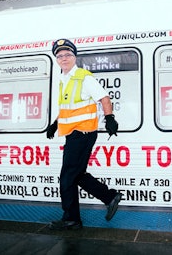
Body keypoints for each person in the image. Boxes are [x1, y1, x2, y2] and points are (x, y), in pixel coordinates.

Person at [46, 38, 122, 230]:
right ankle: (109, 196)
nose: (64, 58)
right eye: (60, 55)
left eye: (68, 55)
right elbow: (68, 108)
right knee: (76, 174)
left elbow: (104, 98)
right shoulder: (65, 80)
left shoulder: (83, 77)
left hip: (83, 132)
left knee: (67, 176)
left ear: (74, 57)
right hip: (73, 133)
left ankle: (71, 218)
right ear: (56, 59)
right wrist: (55, 124)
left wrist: (110, 118)